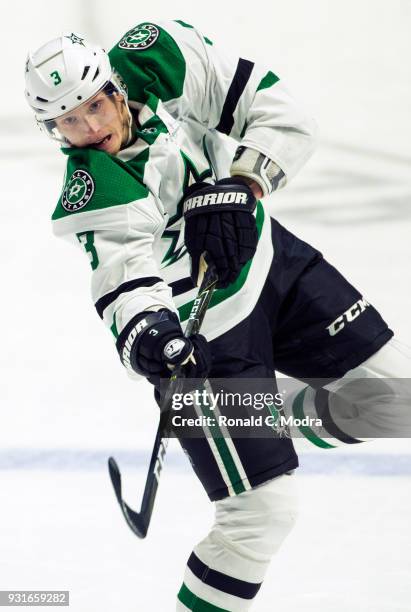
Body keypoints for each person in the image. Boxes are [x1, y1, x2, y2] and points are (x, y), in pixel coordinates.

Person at [25, 21, 410, 611]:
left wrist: (240, 184)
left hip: (272, 266)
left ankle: (272, 417)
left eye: (96, 105)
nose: (92, 129)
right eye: (69, 121)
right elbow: (123, 278)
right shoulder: (95, 188)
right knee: (260, 514)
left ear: (113, 84)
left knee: (396, 402)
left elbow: (283, 117)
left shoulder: (162, 60)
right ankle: (248, 418)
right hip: (202, 336)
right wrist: (153, 337)